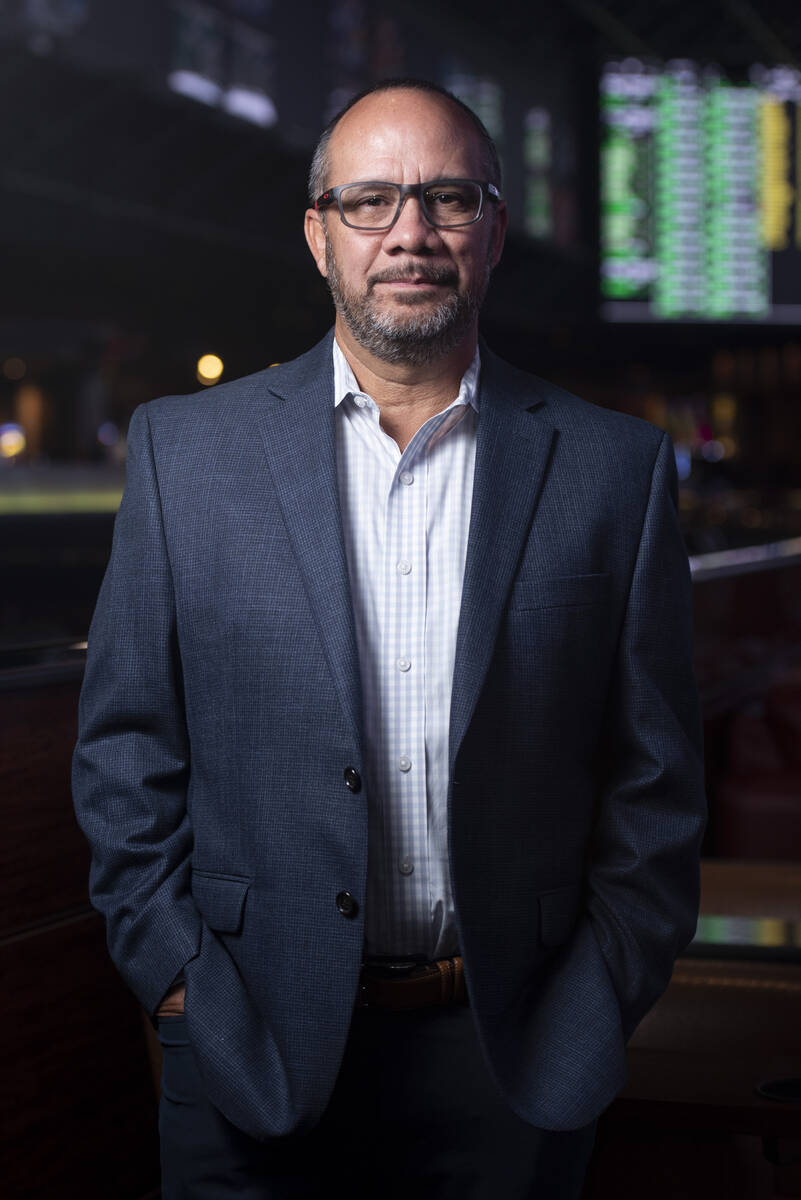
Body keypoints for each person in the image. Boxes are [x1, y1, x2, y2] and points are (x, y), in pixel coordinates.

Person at [72, 78, 706, 1199]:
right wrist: (178, 976)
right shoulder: (186, 455)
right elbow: (125, 751)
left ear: (494, 230)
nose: (410, 232)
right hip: (244, 1050)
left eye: (448, 197)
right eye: (371, 200)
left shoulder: (617, 472)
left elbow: (655, 781)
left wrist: (601, 990)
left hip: (513, 1062)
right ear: (319, 236)